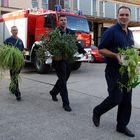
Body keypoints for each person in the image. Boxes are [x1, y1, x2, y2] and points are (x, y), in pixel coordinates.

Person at [92, 6, 135, 137]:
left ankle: (122, 126)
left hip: (127, 71)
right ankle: (97, 111)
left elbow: (130, 49)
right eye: (121, 14)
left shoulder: (130, 32)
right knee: (116, 98)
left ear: (130, 17)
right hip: (113, 71)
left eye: (126, 15)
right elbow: (101, 49)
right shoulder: (111, 31)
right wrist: (115, 55)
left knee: (127, 100)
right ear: (117, 16)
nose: (124, 17)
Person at [50, 14, 86, 112]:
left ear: (66, 21)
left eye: (65, 20)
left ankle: (53, 92)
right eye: (61, 20)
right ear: (59, 21)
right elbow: (51, 46)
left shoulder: (70, 32)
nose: (63, 21)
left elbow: (75, 42)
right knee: (62, 81)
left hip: (68, 59)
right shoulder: (55, 33)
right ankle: (66, 103)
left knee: (64, 79)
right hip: (58, 60)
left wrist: (83, 51)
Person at [4, 26, 24, 101]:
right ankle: (17, 93)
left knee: (14, 76)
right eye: (14, 30)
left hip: (18, 63)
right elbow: (4, 51)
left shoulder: (20, 41)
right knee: (14, 76)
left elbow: (22, 51)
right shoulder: (7, 41)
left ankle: (12, 87)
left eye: (16, 30)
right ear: (11, 31)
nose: (15, 31)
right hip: (12, 63)